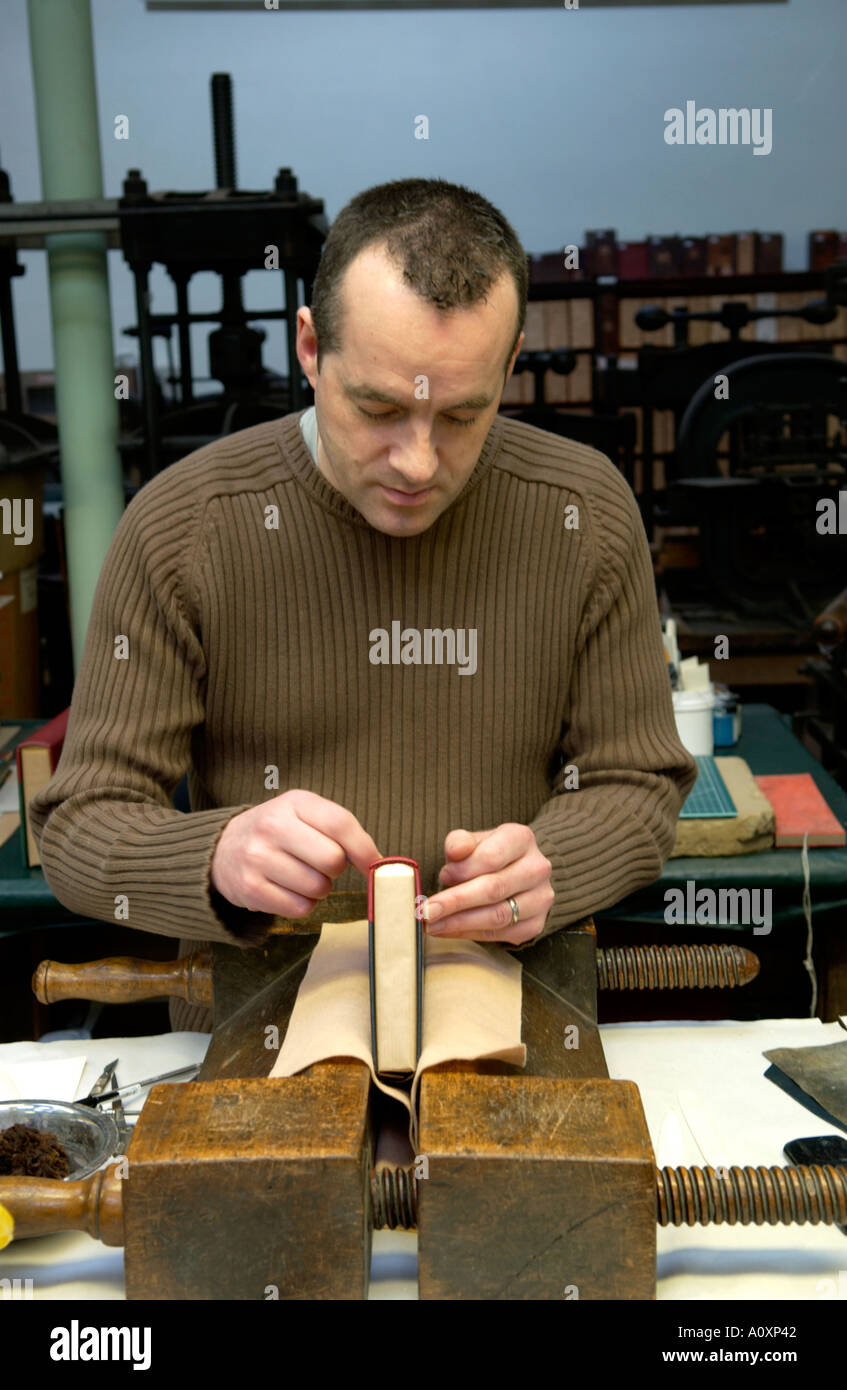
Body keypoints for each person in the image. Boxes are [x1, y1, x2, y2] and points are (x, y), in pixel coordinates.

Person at [30, 177, 697, 1033]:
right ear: (310, 348)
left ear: (513, 361)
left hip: (502, 1014)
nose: (417, 463)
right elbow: (82, 826)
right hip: (262, 1024)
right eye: (377, 408)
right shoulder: (182, 526)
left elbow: (637, 782)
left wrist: (554, 865)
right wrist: (214, 857)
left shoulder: (583, 511)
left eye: (462, 413)